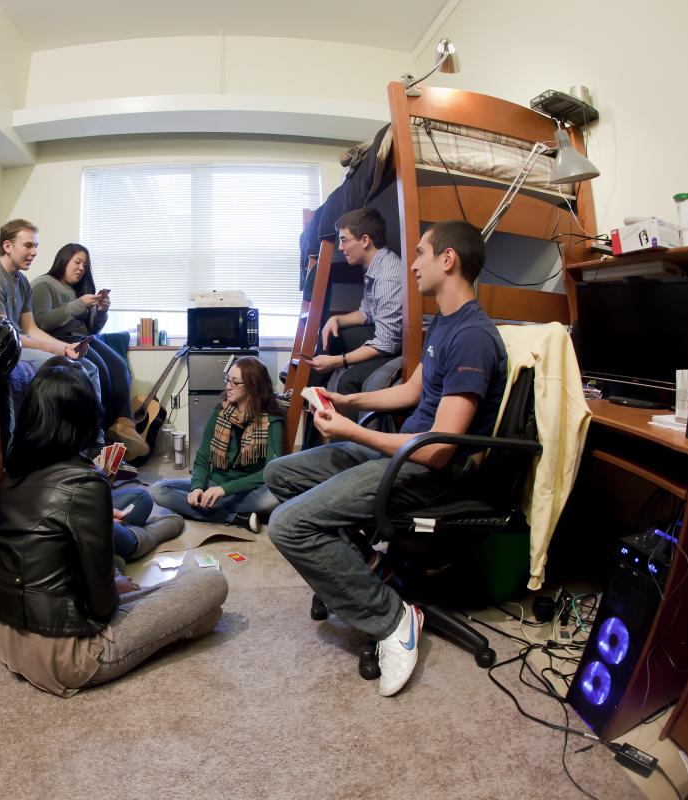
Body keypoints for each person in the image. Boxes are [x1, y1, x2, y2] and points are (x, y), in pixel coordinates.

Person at [265, 220, 508, 697]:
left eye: (420, 253)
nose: (411, 264)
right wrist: (346, 403)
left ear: (448, 259)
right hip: (406, 454)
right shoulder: (445, 323)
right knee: (280, 473)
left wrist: (353, 432)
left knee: (288, 525)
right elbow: (412, 390)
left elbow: (437, 449)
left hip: (429, 471)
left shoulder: (473, 337)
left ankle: (392, 618)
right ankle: (378, 572)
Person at [0, 358, 228, 697]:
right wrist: (115, 588)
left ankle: (179, 618)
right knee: (211, 584)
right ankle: (177, 621)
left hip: (9, 639)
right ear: (85, 418)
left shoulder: (11, 474)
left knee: (127, 569)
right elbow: (102, 607)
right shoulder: (86, 483)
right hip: (70, 656)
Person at [0, 219, 102, 416]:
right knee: (72, 370)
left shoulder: (22, 282)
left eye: (36, 246)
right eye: (28, 245)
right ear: (7, 246)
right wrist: (57, 349)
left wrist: (65, 347)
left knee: (90, 368)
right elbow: (3, 339)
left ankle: (93, 432)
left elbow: (31, 329)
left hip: (15, 345)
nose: (34, 252)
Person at [30, 243, 148, 459]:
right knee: (100, 370)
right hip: (60, 340)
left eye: (85, 265)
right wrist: (79, 304)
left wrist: (101, 312)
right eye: (77, 262)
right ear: (63, 260)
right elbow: (40, 322)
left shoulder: (80, 289)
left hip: (85, 337)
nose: (81, 268)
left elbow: (92, 328)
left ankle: (124, 425)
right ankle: (100, 435)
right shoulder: (43, 284)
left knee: (119, 366)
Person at [150, 356, 282, 533]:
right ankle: (234, 516)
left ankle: (208, 508)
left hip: (248, 490)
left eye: (235, 382)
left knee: (273, 499)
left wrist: (224, 490)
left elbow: (270, 472)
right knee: (158, 490)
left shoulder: (272, 420)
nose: (228, 386)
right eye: (228, 380)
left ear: (254, 386)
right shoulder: (220, 412)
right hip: (213, 483)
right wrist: (197, 487)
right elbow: (202, 458)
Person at [301, 207, 405, 396]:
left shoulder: (388, 277)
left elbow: (387, 343)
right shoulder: (373, 266)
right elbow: (366, 312)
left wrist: (339, 361)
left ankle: (310, 396)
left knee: (347, 381)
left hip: (397, 343)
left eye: (344, 240)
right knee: (332, 334)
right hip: (383, 333)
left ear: (365, 240)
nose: (340, 248)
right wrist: (337, 319)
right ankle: (311, 395)